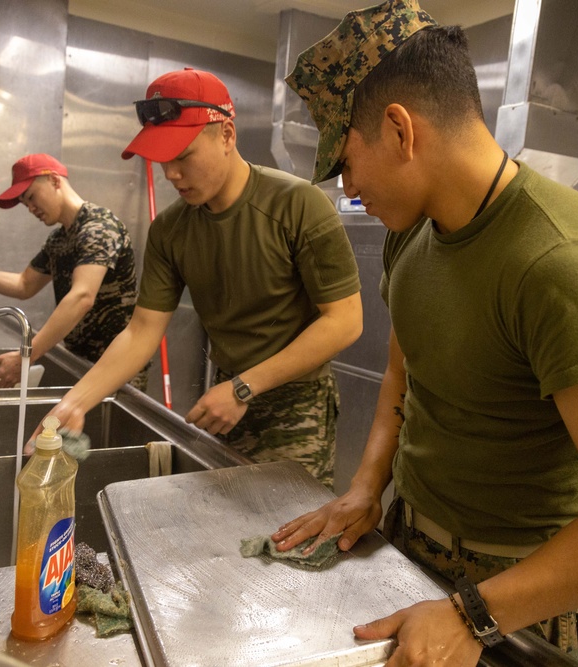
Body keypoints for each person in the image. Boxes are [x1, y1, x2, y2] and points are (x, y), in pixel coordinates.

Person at [271, 1, 578, 664]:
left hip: (518, 601)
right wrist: (366, 484)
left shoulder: (566, 264)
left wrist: (473, 612)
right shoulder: (412, 233)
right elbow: (404, 370)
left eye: (345, 161)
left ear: (399, 130)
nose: (349, 186)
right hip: (409, 553)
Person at [36, 68, 363, 487]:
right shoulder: (170, 230)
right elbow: (141, 332)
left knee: (287, 528)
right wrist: (76, 401)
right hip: (224, 397)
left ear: (227, 135)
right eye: (162, 159)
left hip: (295, 403)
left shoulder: (299, 205)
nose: (170, 174)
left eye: (183, 156)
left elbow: (345, 320)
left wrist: (245, 388)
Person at [0, 153, 142, 394]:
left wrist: (26, 355)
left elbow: (82, 296)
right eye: (25, 204)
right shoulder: (59, 239)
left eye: (31, 197)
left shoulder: (98, 227)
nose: (31, 208)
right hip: (82, 362)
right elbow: (24, 284)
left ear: (54, 180)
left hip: (118, 366)